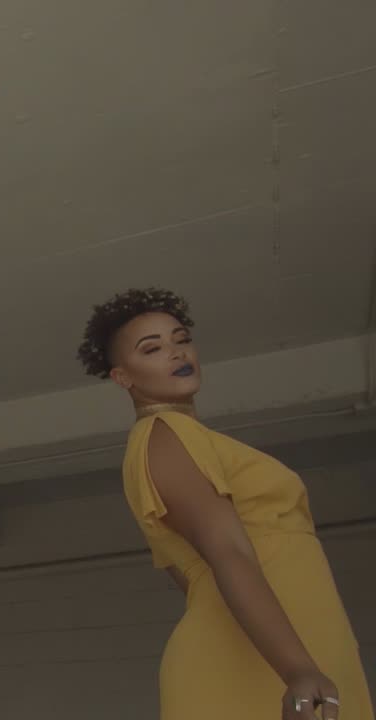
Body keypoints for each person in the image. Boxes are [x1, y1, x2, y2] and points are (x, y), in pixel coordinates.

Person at [77, 288, 373, 720]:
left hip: (294, 647)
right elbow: (227, 552)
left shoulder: (192, 441)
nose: (176, 352)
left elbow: (189, 577)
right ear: (123, 377)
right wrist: (296, 669)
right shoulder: (165, 433)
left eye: (181, 339)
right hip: (269, 666)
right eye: (152, 348)